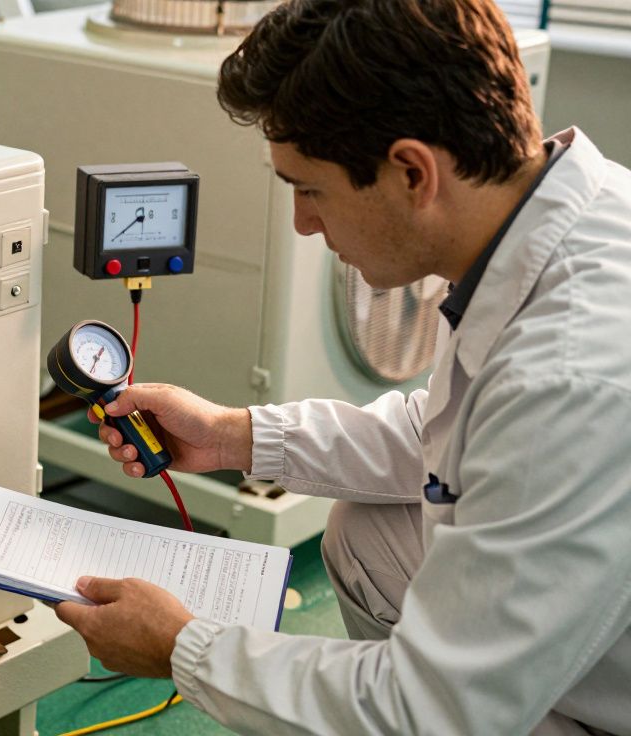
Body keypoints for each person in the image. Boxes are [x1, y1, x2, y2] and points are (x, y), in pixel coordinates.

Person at [52, 0, 631, 733]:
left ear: (412, 172)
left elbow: (430, 707)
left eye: (309, 188)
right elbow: (450, 437)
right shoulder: (566, 218)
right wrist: (234, 436)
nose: (303, 222)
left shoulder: (572, 372)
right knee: (368, 533)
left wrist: (181, 648)